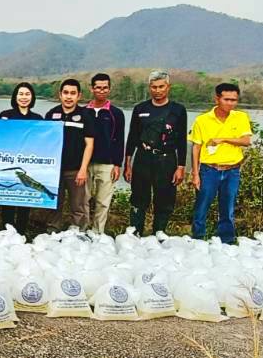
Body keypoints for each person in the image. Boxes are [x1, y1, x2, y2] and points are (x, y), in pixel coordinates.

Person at [124, 71, 188, 236]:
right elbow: (132, 137)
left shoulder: (178, 110)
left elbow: (181, 140)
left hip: (166, 159)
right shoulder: (140, 109)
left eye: (161, 87)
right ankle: (136, 230)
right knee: (138, 196)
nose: (157, 90)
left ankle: (159, 231)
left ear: (168, 87)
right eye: (154, 87)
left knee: (165, 197)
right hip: (143, 158)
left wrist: (181, 166)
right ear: (149, 88)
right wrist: (127, 164)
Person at [189, 82, 253, 244]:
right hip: (209, 169)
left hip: (232, 170)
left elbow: (246, 141)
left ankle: (227, 240)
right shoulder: (202, 120)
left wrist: (223, 139)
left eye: (234, 100)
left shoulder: (240, 117)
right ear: (217, 98)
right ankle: (198, 238)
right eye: (227, 99)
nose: (230, 103)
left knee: (228, 207)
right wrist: (195, 173)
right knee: (202, 205)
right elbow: (196, 147)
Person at [43, 78, 96, 232]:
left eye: (73, 93)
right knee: (54, 203)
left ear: (79, 96)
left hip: (75, 170)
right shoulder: (51, 114)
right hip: (54, 170)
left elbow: (89, 145)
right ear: (60, 94)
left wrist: (83, 169)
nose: (68, 96)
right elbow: (44, 142)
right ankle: (52, 230)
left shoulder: (86, 115)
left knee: (78, 205)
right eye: (65, 93)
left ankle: (78, 232)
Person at [0, 81, 42, 235]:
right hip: (9, 164)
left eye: (27, 94)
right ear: (15, 97)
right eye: (21, 94)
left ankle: (21, 233)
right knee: (8, 197)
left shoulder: (38, 118)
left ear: (32, 97)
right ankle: (7, 231)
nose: (24, 97)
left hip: (28, 165)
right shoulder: (5, 115)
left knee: (25, 197)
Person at [86, 73, 126, 236]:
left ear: (109, 89)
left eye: (105, 88)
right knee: (84, 199)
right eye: (98, 88)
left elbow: (120, 140)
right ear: (92, 89)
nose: (101, 91)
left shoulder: (116, 113)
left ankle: (97, 231)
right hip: (85, 163)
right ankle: (82, 230)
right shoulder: (83, 112)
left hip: (107, 163)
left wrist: (118, 164)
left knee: (103, 201)